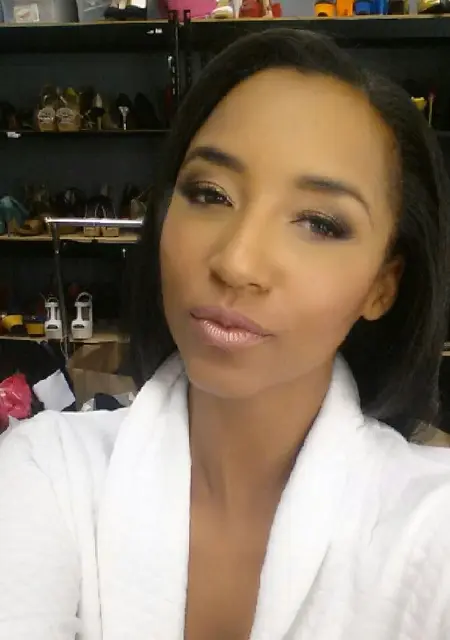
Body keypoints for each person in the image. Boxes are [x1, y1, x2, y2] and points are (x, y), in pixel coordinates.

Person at [1, 27, 450, 640]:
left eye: (319, 224)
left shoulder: (431, 529)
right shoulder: (48, 473)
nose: (237, 262)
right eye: (210, 194)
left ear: (383, 286)